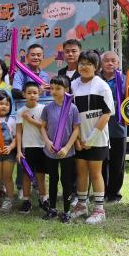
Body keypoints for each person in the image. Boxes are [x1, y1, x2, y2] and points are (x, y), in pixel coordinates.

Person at [70, 51, 113, 224]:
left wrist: (91, 139)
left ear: (96, 67)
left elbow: (106, 115)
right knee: (81, 172)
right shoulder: (72, 85)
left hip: (98, 139)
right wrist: (78, 139)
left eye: (89, 64)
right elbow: (70, 114)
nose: (84, 67)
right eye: (82, 63)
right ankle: (81, 205)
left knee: (95, 173)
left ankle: (99, 209)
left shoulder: (102, 86)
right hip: (78, 139)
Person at [40, 76, 81, 222]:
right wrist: (47, 142)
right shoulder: (47, 108)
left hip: (67, 153)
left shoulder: (73, 108)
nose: (54, 91)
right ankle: (52, 209)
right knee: (52, 179)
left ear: (66, 90)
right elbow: (42, 127)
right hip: (50, 152)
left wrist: (67, 147)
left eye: (58, 88)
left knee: (66, 181)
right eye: (52, 88)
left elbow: (76, 129)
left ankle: (66, 211)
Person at [16, 82, 48, 214]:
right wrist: (18, 150)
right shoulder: (20, 111)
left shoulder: (43, 109)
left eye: (35, 92)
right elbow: (18, 132)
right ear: (24, 94)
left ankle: (44, 199)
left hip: (42, 146)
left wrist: (29, 119)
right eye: (29, 93)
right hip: (27, 148)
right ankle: (26, 200)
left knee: (41, 175)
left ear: (39, 94)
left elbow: (44, 126)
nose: (32, 95)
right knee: (26, 176)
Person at [100, 51, 127, 202]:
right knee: (101, 162)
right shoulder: (95, 80)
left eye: (113, 61)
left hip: (118, 128)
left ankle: (114, 194)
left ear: (118, 63)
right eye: (106, 61)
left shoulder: (125, 80)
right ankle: (101, 192)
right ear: (101, 63)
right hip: (100, 128)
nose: (110, 63)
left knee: (118, 163)